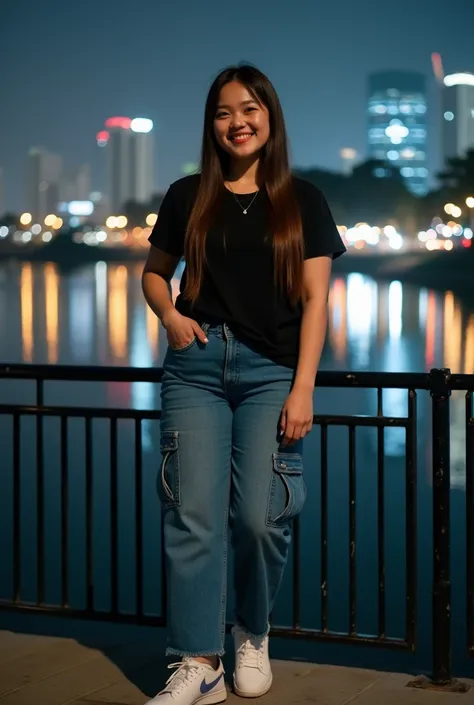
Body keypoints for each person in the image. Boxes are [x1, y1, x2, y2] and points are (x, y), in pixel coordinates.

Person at [141, 64, 346, 705]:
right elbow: (154, 274)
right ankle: (198, 661)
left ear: (270, 117)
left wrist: (304, 387)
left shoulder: (302, 199)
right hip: (196, 370)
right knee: (193, 514)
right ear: (212, 124)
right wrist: (170, 315)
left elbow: (316, 302)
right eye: (225, 111)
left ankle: (251, 633)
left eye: (250, 108)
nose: (239, 122)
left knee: (261, 516)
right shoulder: (187, 195)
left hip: (271, 373)